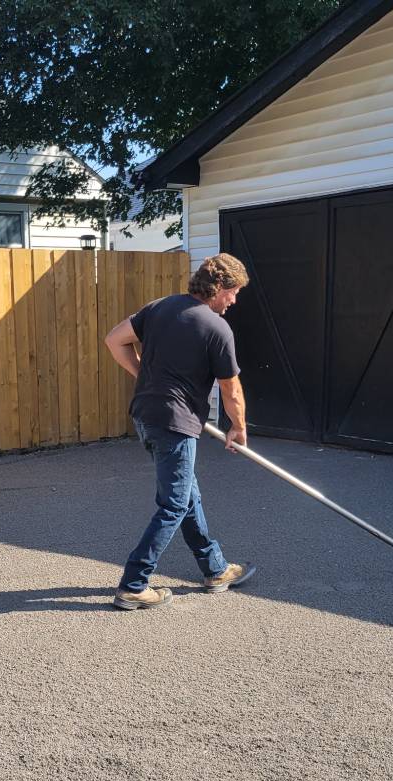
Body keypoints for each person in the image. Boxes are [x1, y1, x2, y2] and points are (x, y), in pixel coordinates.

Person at [104, 252, 256, 610]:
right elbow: (231, 389)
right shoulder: (216, 327)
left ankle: (215, 568)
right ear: (218, 287)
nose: (234, 301)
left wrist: (143, 375)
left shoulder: (160, 307)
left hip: (146, 415)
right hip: (175, 423)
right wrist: (239, 427)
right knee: (173, 504)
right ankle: (134, 584)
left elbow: (114, 340)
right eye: (233, 292)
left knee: (187, 495)